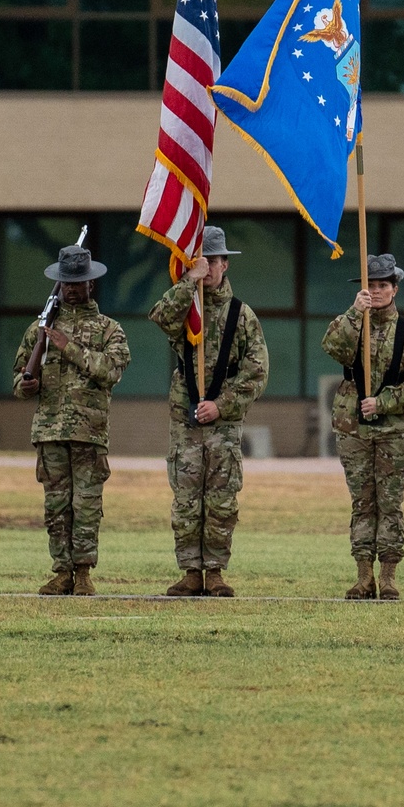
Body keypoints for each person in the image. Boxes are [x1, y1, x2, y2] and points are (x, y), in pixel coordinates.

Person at [150, 225, 269, 598]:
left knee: (220, 498)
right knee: (186, 498)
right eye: (203, 262)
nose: (210, 268)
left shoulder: (242, 315)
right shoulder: (187, 308)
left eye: (214, 262)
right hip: (186, 420)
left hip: (223, 424)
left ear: (225, 265)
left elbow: (257, 370)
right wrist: (189, 283)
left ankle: (215, 571)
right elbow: (161, 317)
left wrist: (222, 405)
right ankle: (190, 570)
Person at [13, 243, 131, 597]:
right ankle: (61, 570)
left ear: (91, 283)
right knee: (56, 506)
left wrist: (69, 347)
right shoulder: (39, 331)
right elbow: (19, 380)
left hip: (88, 433)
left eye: (78, 282)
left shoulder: (110, 329)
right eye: (67, 283)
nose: (72, 288)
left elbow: (111, 371)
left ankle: (83, 573)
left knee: (87, 505)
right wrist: (27, 384)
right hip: (49, 431)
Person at [322, 253, 404, 601]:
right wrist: (355, 312)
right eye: (371, 285)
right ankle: (362, 575)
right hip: (354, 428)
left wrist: (383, 402)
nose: (377, 290)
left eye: (383, 285)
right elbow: (332, 347)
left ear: (395, 288)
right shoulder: (352, 324)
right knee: (362, 502)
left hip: (395, 432)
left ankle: (388, 576)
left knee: (390, 502)